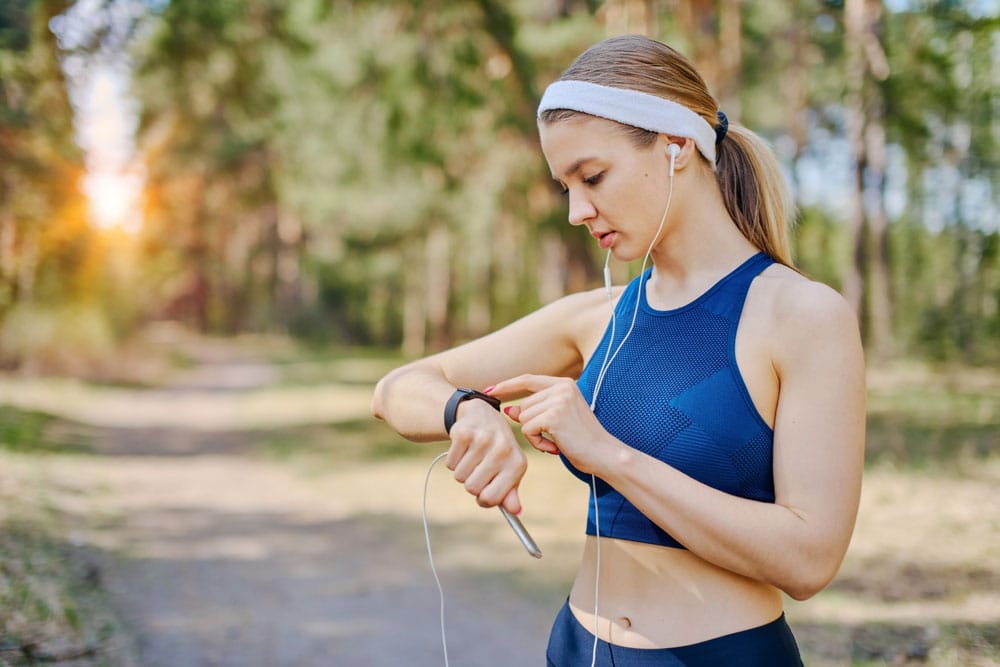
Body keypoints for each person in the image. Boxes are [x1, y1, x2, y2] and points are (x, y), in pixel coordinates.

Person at [371, 34, 865, 666]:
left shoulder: (802, 315)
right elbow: (397, 389)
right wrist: (465, 410)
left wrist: (606, 452)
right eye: (565, 186)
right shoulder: (601, 317)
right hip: (576, 649)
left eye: (594, 176)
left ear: (676, 145)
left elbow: (810, 559)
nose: (578, 210)